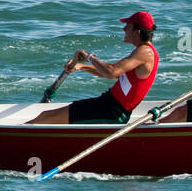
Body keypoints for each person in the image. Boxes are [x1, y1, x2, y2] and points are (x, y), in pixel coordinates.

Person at [30, 11, 160, 124]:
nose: (124, 29)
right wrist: (81, 67)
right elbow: (109, 72)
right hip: (106, 103)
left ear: (137, 32)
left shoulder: (145, 52)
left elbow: (111, 72)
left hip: (112, 112)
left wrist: (90, 56)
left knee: (45, 117)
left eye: (128, 26)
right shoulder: (141, 52)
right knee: (46, 116)